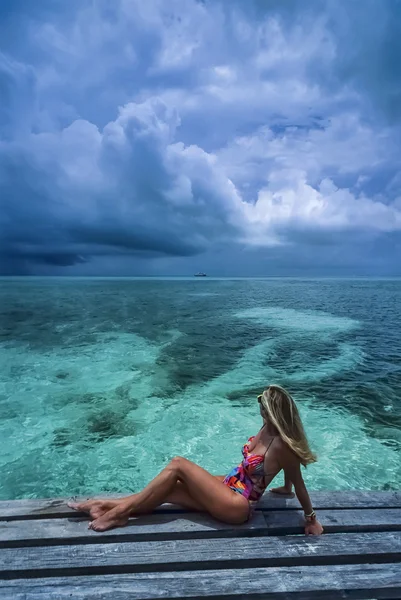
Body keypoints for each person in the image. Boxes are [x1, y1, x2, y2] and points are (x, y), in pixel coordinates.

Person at [69, 384, 324, 535]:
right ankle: (108, 506)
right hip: (229, 485)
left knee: (178, 464)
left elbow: (297, 477)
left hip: (239, 506)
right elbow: (289, 475)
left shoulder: (281, 445)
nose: (259, 407)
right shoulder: (265, 428)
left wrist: (311, 519)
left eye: (263, 404)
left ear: (273, 412)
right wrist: (284, 488)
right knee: (170, 488)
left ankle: (118, 515)